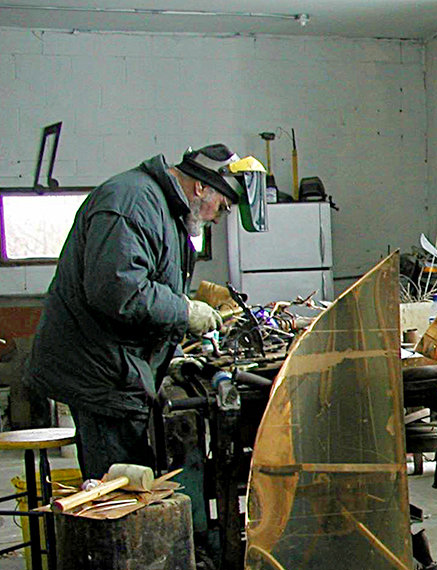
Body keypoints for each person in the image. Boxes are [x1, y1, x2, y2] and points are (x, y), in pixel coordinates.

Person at [28, 144, 265, 480]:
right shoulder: (133, 203)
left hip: (119, 366)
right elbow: (117, 291)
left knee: (135, 476)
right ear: (201, 187)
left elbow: (155, 288)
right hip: (102, 373)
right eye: (222, 208)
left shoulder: (164, 209)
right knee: (119, 490)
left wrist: (175, 353)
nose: (216, 218)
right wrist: (184, 311)